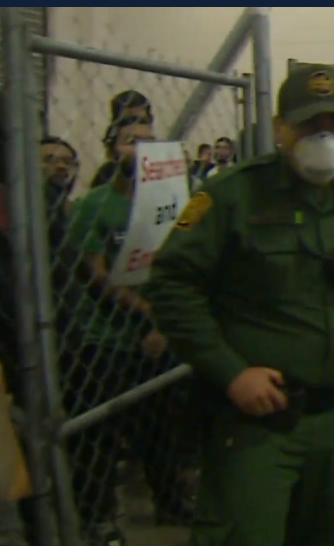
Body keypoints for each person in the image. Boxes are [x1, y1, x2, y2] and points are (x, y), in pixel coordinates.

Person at [144, 65, 334, 546]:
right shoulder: (233, 196)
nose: (323, 136)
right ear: (279, 128)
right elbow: (171, 284)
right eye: (309, 124)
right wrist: (230, 372)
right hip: (259, 425)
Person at [67, 115, 194, 544]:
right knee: (99, 435)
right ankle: (98, 517)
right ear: (111, 150)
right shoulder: (95, 205)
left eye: (146, 140)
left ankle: (171, 502)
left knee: (162, 429)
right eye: (128, 141)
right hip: (107, 336)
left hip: (159, 335)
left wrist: (166, 320)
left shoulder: (165, 204)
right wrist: (149, 315)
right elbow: (95, 274)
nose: (138, 148)